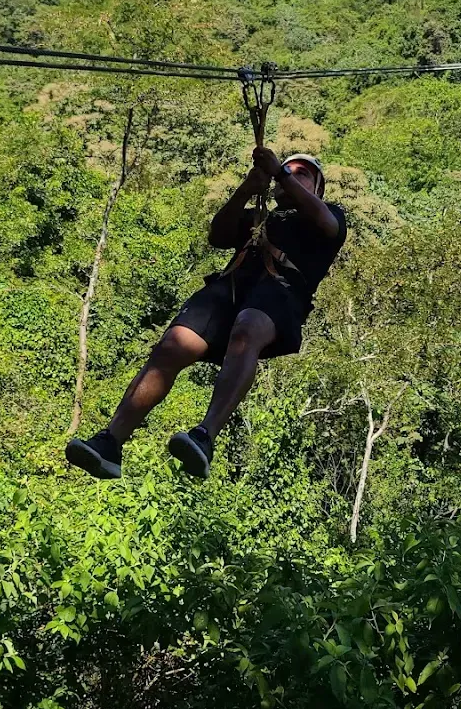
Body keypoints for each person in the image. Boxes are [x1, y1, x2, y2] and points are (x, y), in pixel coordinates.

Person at [65, 148, 347, 480]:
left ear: (317, 188)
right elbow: (218, 235)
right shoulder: (259, 216)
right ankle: (111, 442)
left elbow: (327, 225)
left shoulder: (329, 214)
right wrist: (246, 188)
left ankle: (205, 435)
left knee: (249, 327)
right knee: (173, 344)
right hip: (230, 289)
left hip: (280, 293)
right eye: (287, 171)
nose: (292, 176)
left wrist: (280, 172)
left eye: (303, 173)